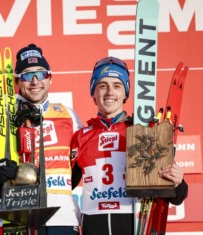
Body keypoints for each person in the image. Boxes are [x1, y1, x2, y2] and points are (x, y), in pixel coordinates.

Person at [70, 56, 188, 235]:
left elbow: (178, 196)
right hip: (93, 222)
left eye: (117, 86)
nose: (110, 92)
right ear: (93, 93)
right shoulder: (80, 137)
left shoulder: (143, 132)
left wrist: (178, 182)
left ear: (126, 93)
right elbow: (64, 186)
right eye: (102, 85)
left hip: (133, 221)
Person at [0, 44, 83, 235]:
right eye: (27, 75)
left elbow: (79, 170)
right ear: (17, 81)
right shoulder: (1, 122)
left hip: (63, 220)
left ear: (50, 78)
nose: (35, 81)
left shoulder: (70, 116)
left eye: (41, 74)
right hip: (18, 222)